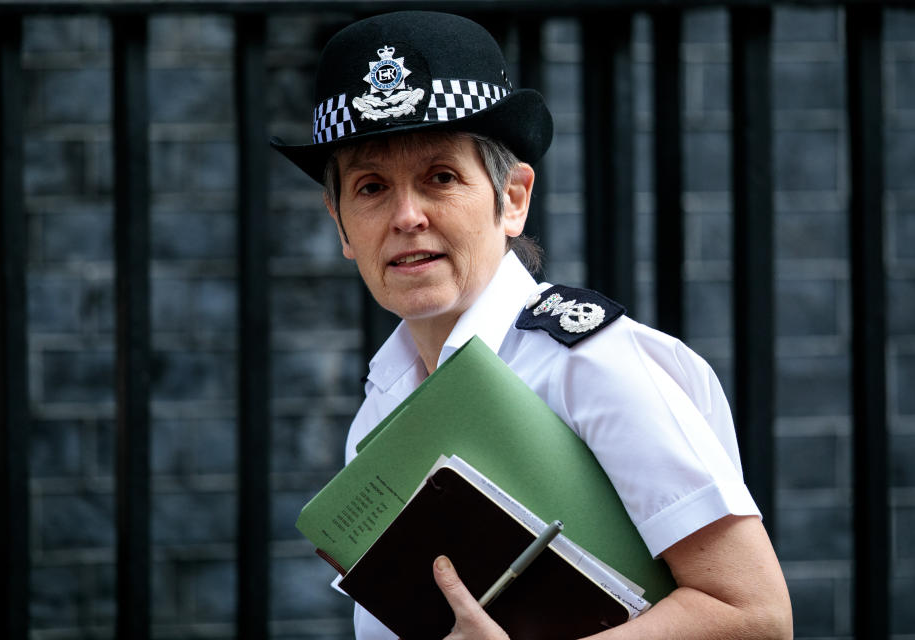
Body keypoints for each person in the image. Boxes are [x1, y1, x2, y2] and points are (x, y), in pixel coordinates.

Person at [271, 10, 793, 640]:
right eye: (371, 187)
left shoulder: (591, 364)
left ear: (513, 198)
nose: (406, 215)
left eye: (441, 177)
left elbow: (756, 615)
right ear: (341, 224)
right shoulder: (380, 408)